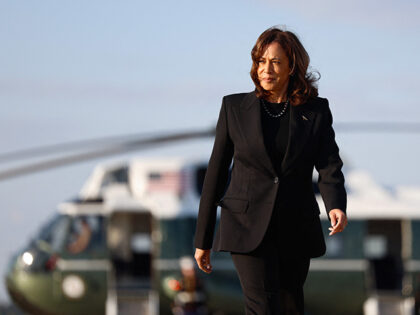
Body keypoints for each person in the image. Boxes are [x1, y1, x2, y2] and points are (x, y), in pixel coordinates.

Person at [193, 26, 348, 315]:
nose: (267, 69)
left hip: (295, 225)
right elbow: (215, 174)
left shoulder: (316, 110)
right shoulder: (233, 107)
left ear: (292, 67)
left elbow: (328, 162)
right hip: (246, 226)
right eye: (261, 61)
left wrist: (335, 204)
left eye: (275, 62)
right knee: (262, 306)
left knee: (290, 306)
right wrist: (203, 239)